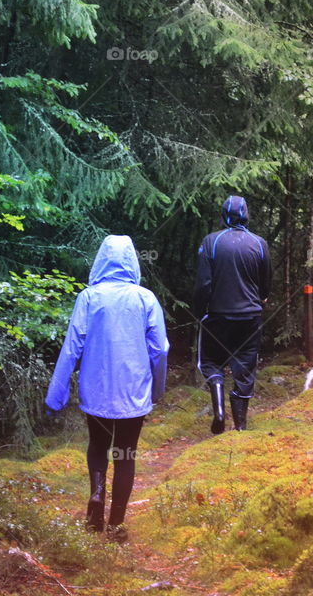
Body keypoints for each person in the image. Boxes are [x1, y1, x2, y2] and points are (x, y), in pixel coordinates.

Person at [45, 235, 169, 542]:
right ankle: (116, 524)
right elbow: (161, 349)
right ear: (133, 262)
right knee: (125, 454)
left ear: (100, 260)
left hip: (96, 389)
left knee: (98, 445)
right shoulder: (145, 298)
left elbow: (72, 347)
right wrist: (157, 388)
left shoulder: (89, 297)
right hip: (133, 390)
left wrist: (55, 396)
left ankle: (96, 502)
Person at [194, 195, 271, 433]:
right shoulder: (259, 244)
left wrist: (199, 312)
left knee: (210, 362)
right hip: (250, 317)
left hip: (217, 316)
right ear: (246, 214)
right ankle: (240, 426)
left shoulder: (211, 242)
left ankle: (218, 411)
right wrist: (261, 298)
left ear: (223, 215)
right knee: (245, 367)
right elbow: (266, 280)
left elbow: (203, 284)